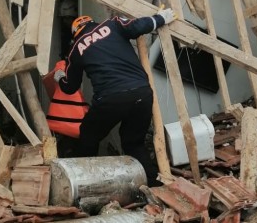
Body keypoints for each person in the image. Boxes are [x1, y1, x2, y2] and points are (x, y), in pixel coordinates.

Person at [54, 9, 175, 185]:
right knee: (133, 143)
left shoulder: (76, 48)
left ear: (75, 33)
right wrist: (161, 18)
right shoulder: (112, 24)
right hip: (142, 92)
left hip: (110, 98)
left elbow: (70, 87)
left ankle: (85, 180)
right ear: (92, 22)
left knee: (88, 136)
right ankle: (153, 183)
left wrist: (59, 75)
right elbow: (138, 26)